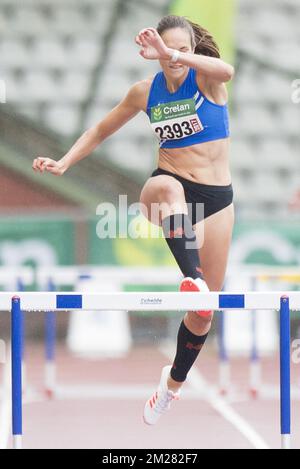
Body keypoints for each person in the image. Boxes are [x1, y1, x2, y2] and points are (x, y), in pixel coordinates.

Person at [32, 15, 235, 426]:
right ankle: (191, 278)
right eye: (165, 51)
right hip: (164, 187)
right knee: (170, 191)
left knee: (203, 314)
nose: (172, 59)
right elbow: (101, 130)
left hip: (216, 200)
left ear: (191, 49)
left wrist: (174, 54)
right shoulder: (146, 93)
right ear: (153, 54)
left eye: (180, 50)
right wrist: (64, 162)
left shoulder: (209, 83)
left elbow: (227, 68)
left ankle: (171, 386)